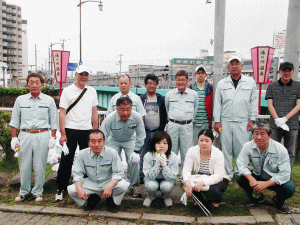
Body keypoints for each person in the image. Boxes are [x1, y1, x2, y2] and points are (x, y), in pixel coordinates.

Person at [9, 73, 58, 202]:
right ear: (27, 84)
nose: (34, 85)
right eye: (32, 82)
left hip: (42, 135)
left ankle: (38, 192)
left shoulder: (49, 100)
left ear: (42, 84)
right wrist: (14, 138)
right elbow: (14, 121)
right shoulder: (20, 100)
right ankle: (23, 191)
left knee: (39, 165)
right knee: (24, 165)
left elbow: (54, 121)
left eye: (37, 82)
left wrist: (53, 137)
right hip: (25, 135)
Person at [55, 65, 99, 201]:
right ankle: (60, 189)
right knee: (66, 160)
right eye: (81, 74)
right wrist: (62, 134)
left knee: (89, 160)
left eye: (86, 74)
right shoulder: (68, 91)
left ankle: (89, 188)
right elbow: (62, 113)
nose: (83, 77)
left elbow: (94, 112)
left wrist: (95, 131)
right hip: (70, 130)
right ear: (76, 75)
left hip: (86, 130)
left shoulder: (92, 91)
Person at [213, 56, 258, 181]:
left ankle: (240, 172)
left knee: (242, 149)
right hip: (225, 121)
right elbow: (217, 103)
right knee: (226, 149)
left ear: (241, 66)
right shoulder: (222, 84)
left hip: (243, 121)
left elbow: (254, 102)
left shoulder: (250, 82)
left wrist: (252, 119)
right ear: (228, 67)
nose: (234, 66)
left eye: (237, 64)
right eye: (231, 64)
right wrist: (217, 121)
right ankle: (228, 174)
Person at [236, 121, 295, 214]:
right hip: (257, 175)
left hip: (274, 179)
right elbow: (241, 164)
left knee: (289, 188)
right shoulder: (247, 146)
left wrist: (267, 183)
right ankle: (257, 197)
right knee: (240, 178)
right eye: (256, 134)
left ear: (270, 135)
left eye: (262, 134)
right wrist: (251, 179)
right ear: (252, 135)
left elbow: (285, 173)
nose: (258, 137)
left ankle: (278, 201)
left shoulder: (280, 149)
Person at [67, 130, 129, 212]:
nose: (96, 145)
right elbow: (78, 174)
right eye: (93, 141)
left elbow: (118, 173)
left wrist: (109, 186)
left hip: (108, 181)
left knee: (123, 185)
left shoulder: (112, 153)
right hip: (91, 182)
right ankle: (91, 199)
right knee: (72, 189)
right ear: (88, 143)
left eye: (100, 141)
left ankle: (113, 201)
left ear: (104, 142)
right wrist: (79, 189)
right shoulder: (82, 154)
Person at [100, 96, 146, 196]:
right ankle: (112, 184)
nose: (125, 113)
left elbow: (141, 135)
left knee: (135, 161)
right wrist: (106, 150)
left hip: (130, 140)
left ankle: (133, 186)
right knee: (111, 160)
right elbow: (103, 135)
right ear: (117, 109)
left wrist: (136, 151)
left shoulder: (137, 117)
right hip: (114, 140)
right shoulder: (110, 118)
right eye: (122, 110)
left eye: (128, 109)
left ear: (132, 108)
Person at [265, 62, 300, 171]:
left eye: (289, 70)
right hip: (274, 124)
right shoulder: (271, 86)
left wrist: (285, 119)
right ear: (279, 72)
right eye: (284, 70)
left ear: (293, 72)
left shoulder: (298, 86)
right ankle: (272, 173)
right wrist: (277, 120)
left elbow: (299, 105)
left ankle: (286, 175)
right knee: (273, 150)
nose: (286, 73)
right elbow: (270, 104)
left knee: (290, 151)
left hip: (292, 124)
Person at [183, 129, 229, 209]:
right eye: (201, 140)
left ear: (212, 142)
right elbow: (186, 169)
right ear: (197, 141)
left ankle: (216, 200)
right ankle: (200, 200)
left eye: (207, 141)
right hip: (199, 176)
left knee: (213, 190)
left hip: (218, 178)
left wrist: (202, 183)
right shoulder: (191, 151)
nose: (204, 143)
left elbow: (218, 175)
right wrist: (187, 183)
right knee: (186, 183)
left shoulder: (218, 154)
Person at [165, 70, 198, 171]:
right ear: (175, 81)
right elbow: (167, 109)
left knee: (187, 153)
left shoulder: (194, 95)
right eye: (178, 80)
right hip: (173, 125)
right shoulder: (169, 94)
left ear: (187, 81)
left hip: (187, 126)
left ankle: (185, 177)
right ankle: (172, 175)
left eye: (183, 80)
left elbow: (195, 110)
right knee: (171, 152)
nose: (181, 82)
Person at [140, 74, 168, 181]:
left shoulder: (161, 99)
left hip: (157, 132)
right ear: (145, 85)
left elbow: (165, 114)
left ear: (157, 85)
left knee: (158, 154)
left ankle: (157, 176)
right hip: (145, 132)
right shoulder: (141, 99)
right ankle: (142, 177)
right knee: (143, 154)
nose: (151, 86)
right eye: (149, 83)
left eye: (154, 84)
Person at [143, 131, 178, 207]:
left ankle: (166, 197)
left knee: (167, 186)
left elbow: (172, 177)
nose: (161, 146)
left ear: (169, 145)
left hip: (167, 180)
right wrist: (157, 164)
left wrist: (164, 165)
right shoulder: (148, 156)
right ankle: (150, 197)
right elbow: (149, 176)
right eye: (158, 143)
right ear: (154, 144)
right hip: (152, 179)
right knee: (151, 186)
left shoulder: (174, 157)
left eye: (165, 143)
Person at [189, 66, 213, 145]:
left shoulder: (211, 89)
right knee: (195, 146)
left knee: (206, 145)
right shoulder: (190, 89)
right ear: (195, 75)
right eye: (198, 73)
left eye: (203, 73)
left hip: (206, 123)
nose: (201, 75)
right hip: (194, 124)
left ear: (206, 75)